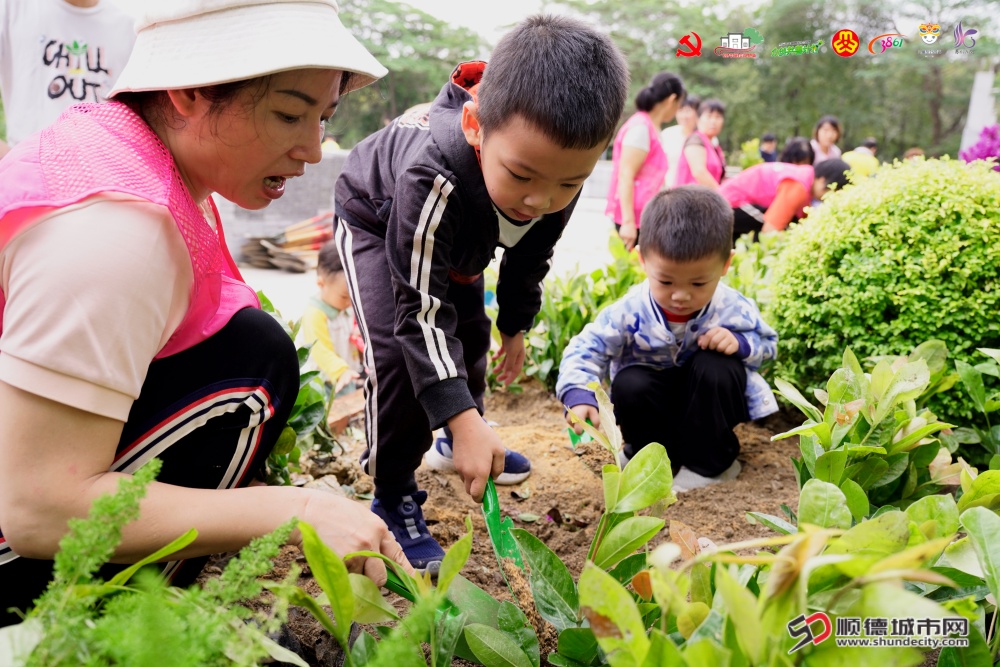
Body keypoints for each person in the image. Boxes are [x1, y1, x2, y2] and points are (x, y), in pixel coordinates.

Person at [0, 0, 412, 627]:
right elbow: (35, 510)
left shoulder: (136, 159)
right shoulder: (117, 230)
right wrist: (293, 512)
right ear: (189, 90)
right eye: (288, 113)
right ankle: (87, 634)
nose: (312, 147)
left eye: (323, 116)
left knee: (249, 348)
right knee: (248, 373)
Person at [334, 15, 629, 572]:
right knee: (402, 356)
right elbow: (419, 307)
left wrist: (513, 326)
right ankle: (393, 490)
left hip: (462, 232)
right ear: (474, 125)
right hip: (381, 219)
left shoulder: (550, 175)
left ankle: (451, 443)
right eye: (522, 176)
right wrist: (465, 417)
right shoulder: (431, 174)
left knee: (468, 336)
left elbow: (528, 256)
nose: (542, 200)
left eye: (568, 184)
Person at [557, 187, 777, 492]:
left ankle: (710, 465)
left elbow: (769, 348)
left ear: (726, 265)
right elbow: (586, 349)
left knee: (717, 366)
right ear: (643, 261)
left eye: (699, 282)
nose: (681, 295)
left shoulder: (733, 308)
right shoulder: (629, 311)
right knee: (630, 381)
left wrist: (741, 344)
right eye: (666, 281)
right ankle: (645, 454)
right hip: (653, 404)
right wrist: (578, 393)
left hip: (707, 408)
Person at [0, 0, 136, 159]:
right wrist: (11, 163)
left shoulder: (128, 27)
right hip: (23, 169)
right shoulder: (13, 7)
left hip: (100, 174)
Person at [606, 72, 685, 251]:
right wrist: (628, 222)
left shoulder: (651, 127)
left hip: (646, 217)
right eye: (679, 104)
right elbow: (625, 175)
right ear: (672, 99)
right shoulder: (640, 128)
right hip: (632, 219)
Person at [722, 159, 851, 240]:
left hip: (736, 203)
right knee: (775, 228)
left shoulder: (806, 178)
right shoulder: (798, 186)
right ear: (824, 181)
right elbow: (770, 228)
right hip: (730, 204)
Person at [298, 240, 363, 394]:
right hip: (324, 385)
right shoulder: (314, 314)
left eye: (353, 296)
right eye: (344, 296)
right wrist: (341, 371)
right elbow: (320, 350)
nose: (349, 302)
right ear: (321, 283)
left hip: (348, 377)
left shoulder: (344, 307)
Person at [674, 98, 726, 189]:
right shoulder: (695, 140)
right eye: (709, 116)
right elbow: (699, 172)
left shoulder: (714, 146)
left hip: (705, 198)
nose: (713, 121)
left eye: (718, 117)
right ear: (698, 119)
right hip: (690, 199)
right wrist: (722, 195)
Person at [660, 94, 700, 190]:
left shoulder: (704, 137)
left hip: (697, 192)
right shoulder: (667, 135)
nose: (684, 116)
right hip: (670, 190)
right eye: (680, 111)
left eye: (688, 111)